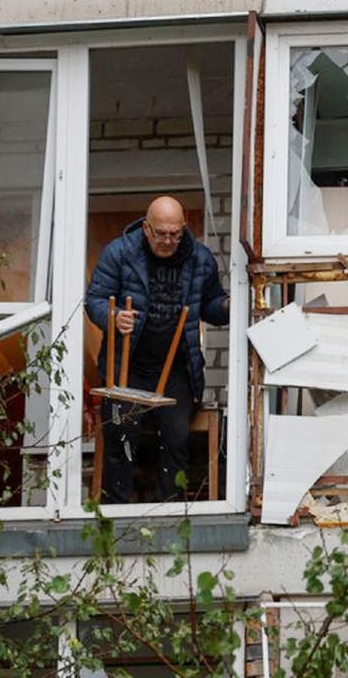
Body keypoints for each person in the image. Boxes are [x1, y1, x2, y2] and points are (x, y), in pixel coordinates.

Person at [85, 196, 230, 503]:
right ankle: (115, 517)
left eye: (174, 234)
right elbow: (95, 300)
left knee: (176, 441)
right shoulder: (120, 253)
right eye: (161, 233)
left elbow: (212, 306)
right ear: (146, 227)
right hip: (128, 364)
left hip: (177, 367)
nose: (168, 241)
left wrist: (231, 304)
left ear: (184, 228)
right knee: (121, 439)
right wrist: (113, 318)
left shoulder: (200, 258)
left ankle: (170, 514)